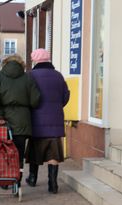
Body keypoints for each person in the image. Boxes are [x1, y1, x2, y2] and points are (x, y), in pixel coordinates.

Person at [0, 54, 41, 188]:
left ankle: (4, 180)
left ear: (5, 63)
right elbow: (35, 101)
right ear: (21, 64)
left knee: (2, 150)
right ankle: (17, 180)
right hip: (22, 119)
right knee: (19, 153)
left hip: (2, 120)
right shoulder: (28, 78)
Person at [25, 48, 70, 194]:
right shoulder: (58, 76)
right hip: (55, 120)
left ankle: (32, 179)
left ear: (35, 60)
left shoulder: (30, 76)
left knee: (34, 151)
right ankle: (53, 185)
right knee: (53, 153)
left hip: (36, 120)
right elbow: (65, 97)